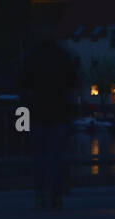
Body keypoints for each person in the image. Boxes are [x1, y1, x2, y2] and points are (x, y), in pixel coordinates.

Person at [19, 34, 79, 209]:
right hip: (59, 114)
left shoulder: (32, 57)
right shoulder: (63, 57)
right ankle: (56, 194)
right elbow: (73, 85)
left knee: (40, 157)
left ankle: (40, 194)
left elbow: (23, 86)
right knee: (57, 157)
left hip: (38, 114)